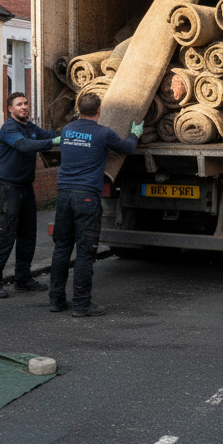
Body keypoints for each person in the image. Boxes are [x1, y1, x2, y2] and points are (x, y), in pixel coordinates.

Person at [49, 92, 141, 317]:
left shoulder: (68, 130)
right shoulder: (103, 133)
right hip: (87, 197)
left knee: (61, 248)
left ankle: (56, 300)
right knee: (85, 250)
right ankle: (81, 303)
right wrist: (135, 134)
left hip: (64, 194)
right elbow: (127, 148)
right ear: (99, 111)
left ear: (78, 110)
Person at [0, 92, 58, 299]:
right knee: (6, 235)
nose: (24, 107)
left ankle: (23, 279)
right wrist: (53, 142)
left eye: (26, 103)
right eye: (19, 104)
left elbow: (46, 134)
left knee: (28, 235)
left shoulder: (30, 127)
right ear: (10, 109)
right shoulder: (9, 128)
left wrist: (67, 132)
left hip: (25, 187)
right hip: (8, 188)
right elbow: (24, 145)